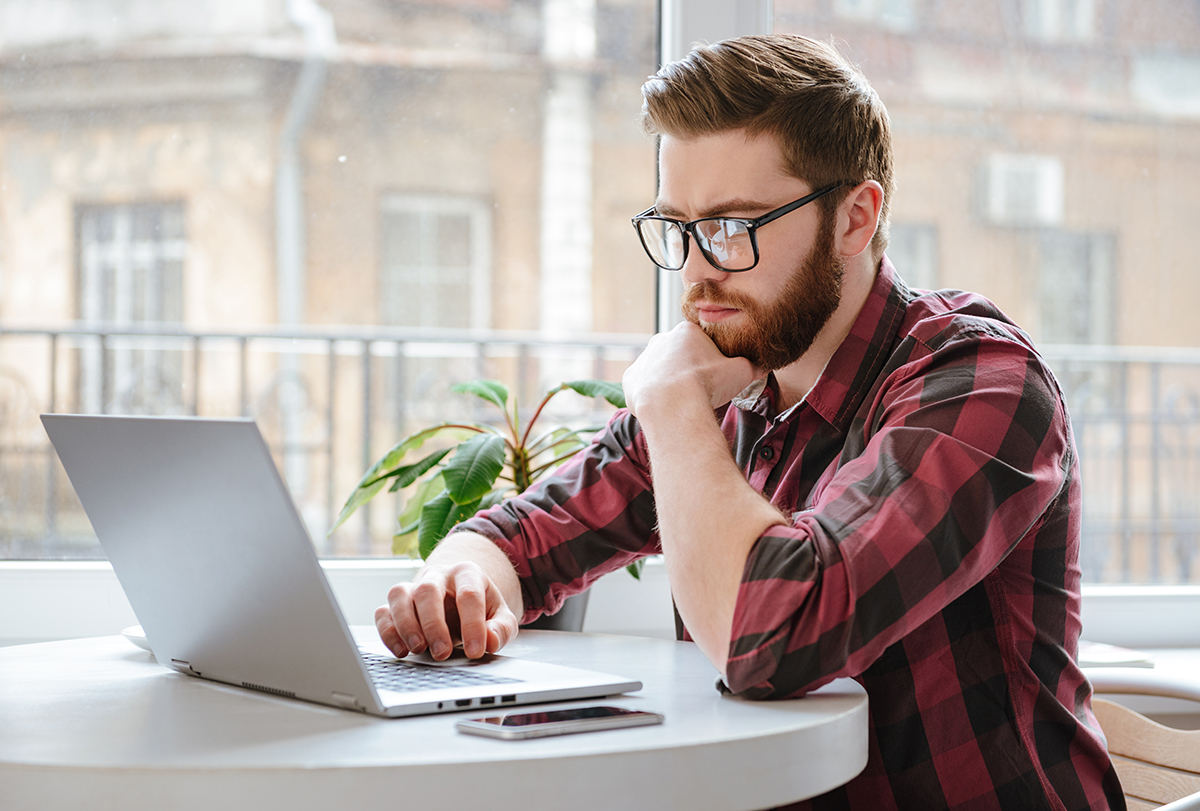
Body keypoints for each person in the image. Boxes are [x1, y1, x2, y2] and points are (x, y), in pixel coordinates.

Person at [376, 34, 1124, 810]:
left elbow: (773, 634)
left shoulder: (983, 384)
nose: (698, 269)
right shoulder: (735, 375)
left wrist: (667, 402)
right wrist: (454, 585)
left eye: (734, 227)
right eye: (680, 228)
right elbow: (521, 536)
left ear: (854, 219)